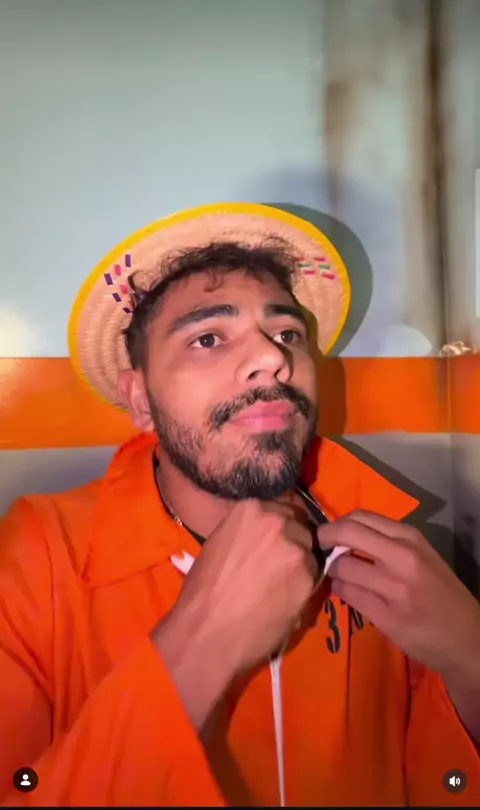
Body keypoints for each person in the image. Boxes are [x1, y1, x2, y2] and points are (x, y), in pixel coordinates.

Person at [0, 203, 479, 807]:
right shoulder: (37, 560)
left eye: (288, 335)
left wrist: (470, 658)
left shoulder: (390, 547)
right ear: (141, 400)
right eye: (208, 338)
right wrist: (200, 645)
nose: (273, 358)